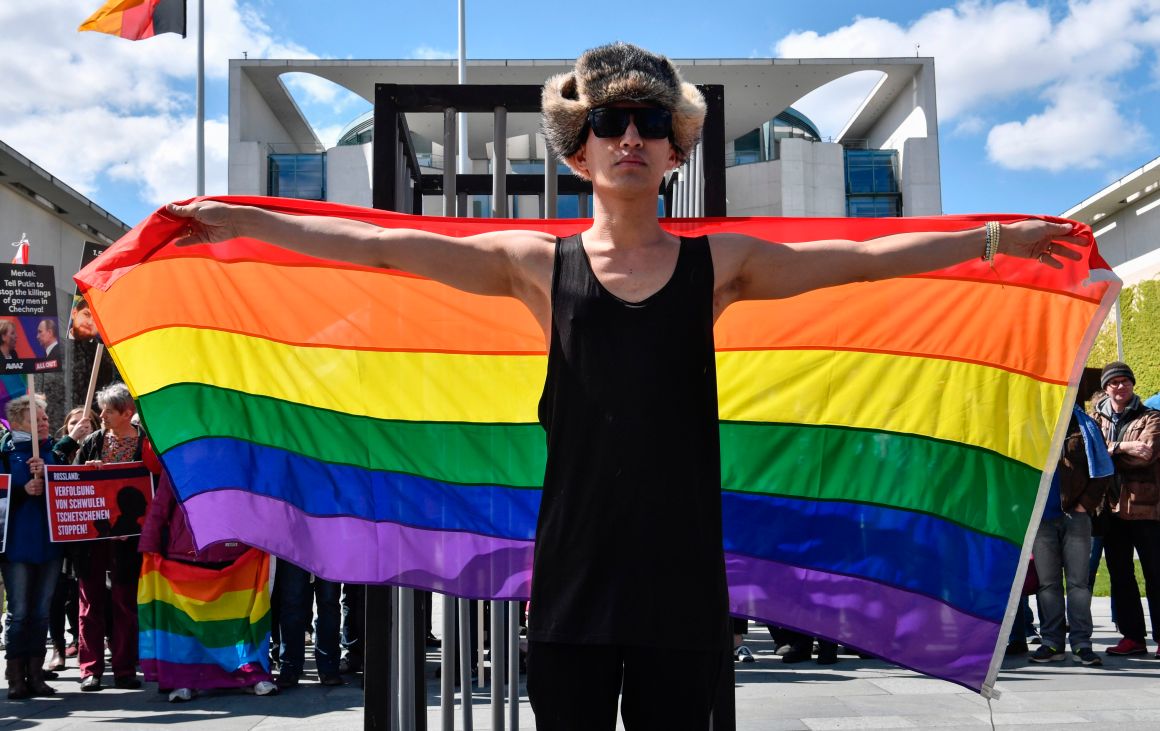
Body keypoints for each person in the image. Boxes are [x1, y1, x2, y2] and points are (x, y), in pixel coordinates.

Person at [169, 42, 1084, 728]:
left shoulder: (721, 263)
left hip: (684, 580)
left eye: (650, 123)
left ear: (675, 150)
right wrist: (237, 219)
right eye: (610, 125)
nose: (631, 138)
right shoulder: (534, 262)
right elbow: (378, 245)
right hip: (570, 575)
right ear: (580, 154)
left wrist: (995, 241)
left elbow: (865, 259)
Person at [72, 382, 145, 691]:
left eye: (108, 411)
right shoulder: (92, 441)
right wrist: (87, 470)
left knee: (125, 602)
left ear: (128, 413)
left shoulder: (146, 444)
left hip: (130, 539)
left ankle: (125, 668)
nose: (101, 415)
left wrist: (135, 528)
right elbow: (71, 483)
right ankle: (90, 669)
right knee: (90, 603)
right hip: (93, 537)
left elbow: (153, 487)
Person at [1029, 407, 1114, 666]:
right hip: (1041, 519)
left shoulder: (1084, 424)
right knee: (1047, 584)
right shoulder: (1030, 422)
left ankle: (1081, 643)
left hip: (1075, 517)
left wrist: (1084, 505)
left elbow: (1103, 469)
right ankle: (1052, 642)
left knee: (1078, 583)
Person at [1090, 361, 1160, 657]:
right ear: (1106, 387)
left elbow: (1148, 454)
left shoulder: (1151, 417)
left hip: (1145, 508)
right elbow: (1088, 452)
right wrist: (1125, 447)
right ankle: (1133, 637)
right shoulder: (1096, 418)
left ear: (1132, 385)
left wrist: (1109, 450)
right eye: (1115, 382)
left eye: (1125, 381)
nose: (1121, 387)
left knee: (1156, 574)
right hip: (1110, 509)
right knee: (1121, 575)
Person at [0, 394, 62, 699]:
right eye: (38, 418)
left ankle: (36, 674)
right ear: (21, 422)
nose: (45, 422)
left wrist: (49, 474)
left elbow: (68, 490)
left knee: (41, 611)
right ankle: (15, 675)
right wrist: (22, 488)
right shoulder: (5, 454)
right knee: (20, 611)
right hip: (17, 545)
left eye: (46, 417)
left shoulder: (52, 454)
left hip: (49, 544)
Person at [44, 406, 96, 673]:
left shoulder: (97, 446)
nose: (81, 427)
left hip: (88, 533)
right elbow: (49, 468)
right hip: (60, 531)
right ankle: (57, 646)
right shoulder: (57, 449)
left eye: (86, 424)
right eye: (74, 423)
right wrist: (72, 439)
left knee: (83, 590)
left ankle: (81, 641)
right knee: (56, 591)